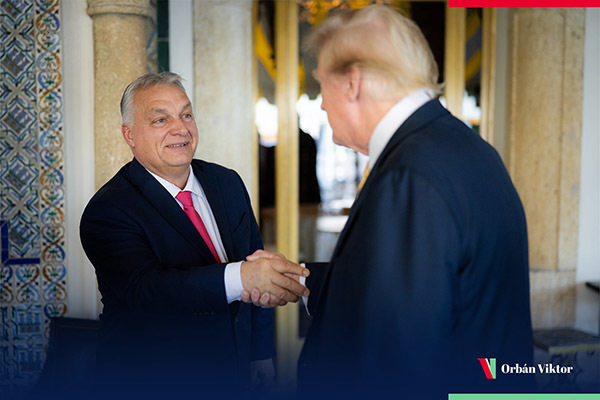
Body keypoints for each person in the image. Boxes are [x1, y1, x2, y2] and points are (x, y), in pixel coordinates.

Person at [243, 5, 534, 398]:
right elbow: (416, 287)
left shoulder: (409, 175)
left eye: (322, 83)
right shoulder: (462, 147)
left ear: (353, 83)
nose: (322, 104)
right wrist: (303, 280)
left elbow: (398, 358)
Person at [79, 72, 309, 399]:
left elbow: (255, 260)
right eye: (161, 119)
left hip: (236, 370)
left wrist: (260, 352)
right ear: (129, 135)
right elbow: (148, 290)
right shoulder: (109, 209)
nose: (180, 128)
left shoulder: (227, 182)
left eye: (186, 114)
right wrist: (242, 277)